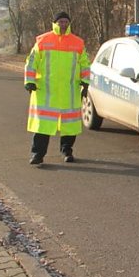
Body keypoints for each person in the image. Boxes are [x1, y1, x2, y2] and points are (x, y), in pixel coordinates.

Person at [24, 12, 90, 165]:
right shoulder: (43, 40)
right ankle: (37, 155)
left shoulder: (77, 42)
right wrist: (30, 81)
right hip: (47, 92)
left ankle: (67, 151)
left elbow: (85, 63)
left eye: (66, 21)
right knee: (43, 126)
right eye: (60, 21)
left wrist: (85, 82)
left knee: (70, 126)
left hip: (69, 92)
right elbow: (31, 61)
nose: (63, 24)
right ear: (55, 23)